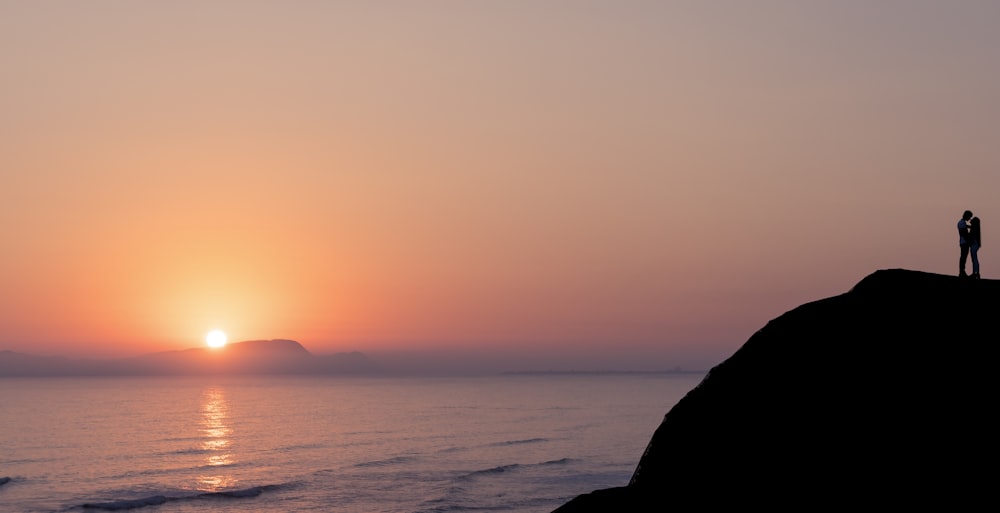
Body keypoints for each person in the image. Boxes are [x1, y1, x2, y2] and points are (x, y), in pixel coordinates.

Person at [958, 210, 973, 277]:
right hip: (964, 243)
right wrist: (969, 241)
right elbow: (964, 233)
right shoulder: (961, 223)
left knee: (964, 257)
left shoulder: (962, 223)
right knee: (963, 257)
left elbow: (966, 227)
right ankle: (962, 272)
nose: (969, 219)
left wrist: (971, 227)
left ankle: (962, 272)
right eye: (969, 217)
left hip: (964, 242)